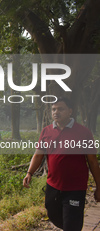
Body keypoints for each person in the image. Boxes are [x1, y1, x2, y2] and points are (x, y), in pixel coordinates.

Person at [23, 97, 100, 231]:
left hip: (75, 187)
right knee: (53, 214)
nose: (56, 112)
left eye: (60, 109)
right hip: (53, 185)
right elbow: (38, 154)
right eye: (53, 109)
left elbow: (92, 161)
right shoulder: (46, 131)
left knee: (72, 224)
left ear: (70, 111)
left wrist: (99, 186)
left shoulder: (83, 132)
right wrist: (29, 172)